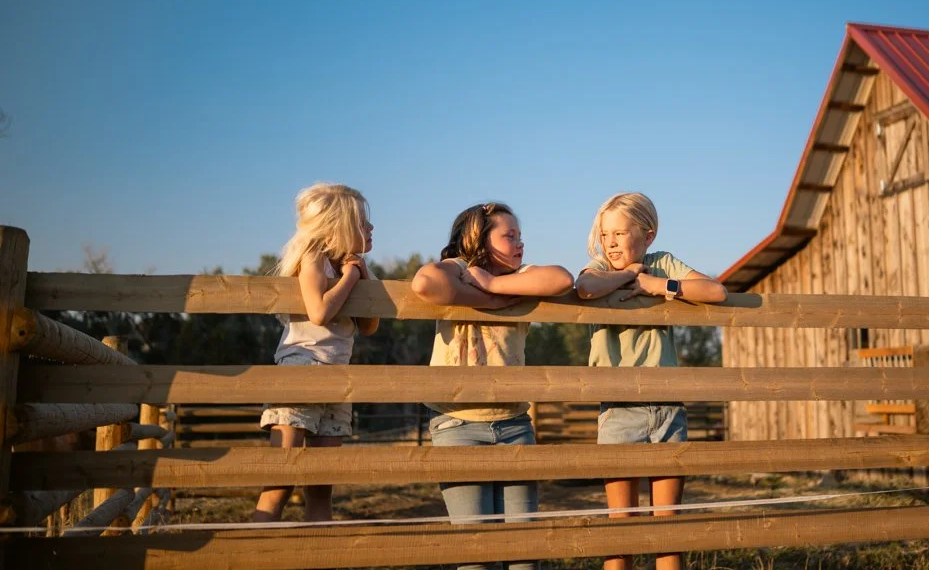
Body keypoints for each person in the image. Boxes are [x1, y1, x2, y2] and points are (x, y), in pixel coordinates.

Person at [411, 201, 573, 570]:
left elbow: (563, 279)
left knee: (523, 555)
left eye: (520, 236)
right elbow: (424, 283)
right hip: (457, 424)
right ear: (478, 240)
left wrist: (497, 284)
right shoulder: (456, 269)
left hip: (515, 424)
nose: (520, 244)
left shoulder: (521, 275)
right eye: (509, 236)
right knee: (476, 555)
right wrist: (493, 301)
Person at [574, 192, 727, 570]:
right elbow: (585, 288)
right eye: (605, 233)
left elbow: (716, 291)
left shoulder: (663, 264)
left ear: (648, 235)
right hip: (619, 410)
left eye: (620, 233)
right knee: (620, 532)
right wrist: (628, 275)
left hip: (667, 407)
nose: (610, 242)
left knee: (667, 531)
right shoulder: (598, 268)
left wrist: (660, 286)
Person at [253, 182, 380, 522]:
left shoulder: (350, 269)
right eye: (362, 222)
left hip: (338, 379)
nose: (371, 228)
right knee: (281, 480)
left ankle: (316, 554)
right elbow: (319, 313)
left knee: (322, 485)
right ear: (338, 226)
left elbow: (369, 326)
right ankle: (253, 552)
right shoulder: (314, 260)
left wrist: (362, 276)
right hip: (301, 373)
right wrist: (351, 278)